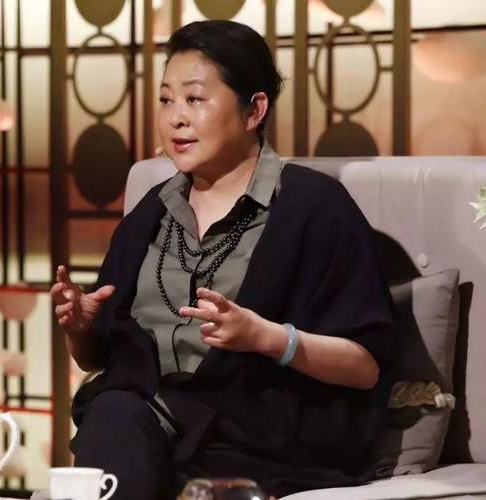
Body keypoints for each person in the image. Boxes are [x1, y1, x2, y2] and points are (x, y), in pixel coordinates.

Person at [50, 20, 395, 500]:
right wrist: (82, 328)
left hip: (259, 441)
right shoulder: (152, 211)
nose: (175, 118)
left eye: (195, 99)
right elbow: (98, 359)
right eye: (166, 100)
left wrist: (265, 337)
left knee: (116, 423)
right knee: (112, 412)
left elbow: (365, 366)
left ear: (254, 110)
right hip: (141, 431)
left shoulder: (316, 208)